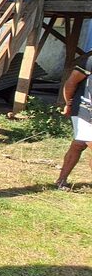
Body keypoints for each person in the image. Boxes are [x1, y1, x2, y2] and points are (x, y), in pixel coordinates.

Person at [56, 55, 92, 190]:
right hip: (84, 109)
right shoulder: (90, 62)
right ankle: (61, 180)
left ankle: (61, 180)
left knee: (79, 144)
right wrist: (69, 103)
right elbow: (71, 82)